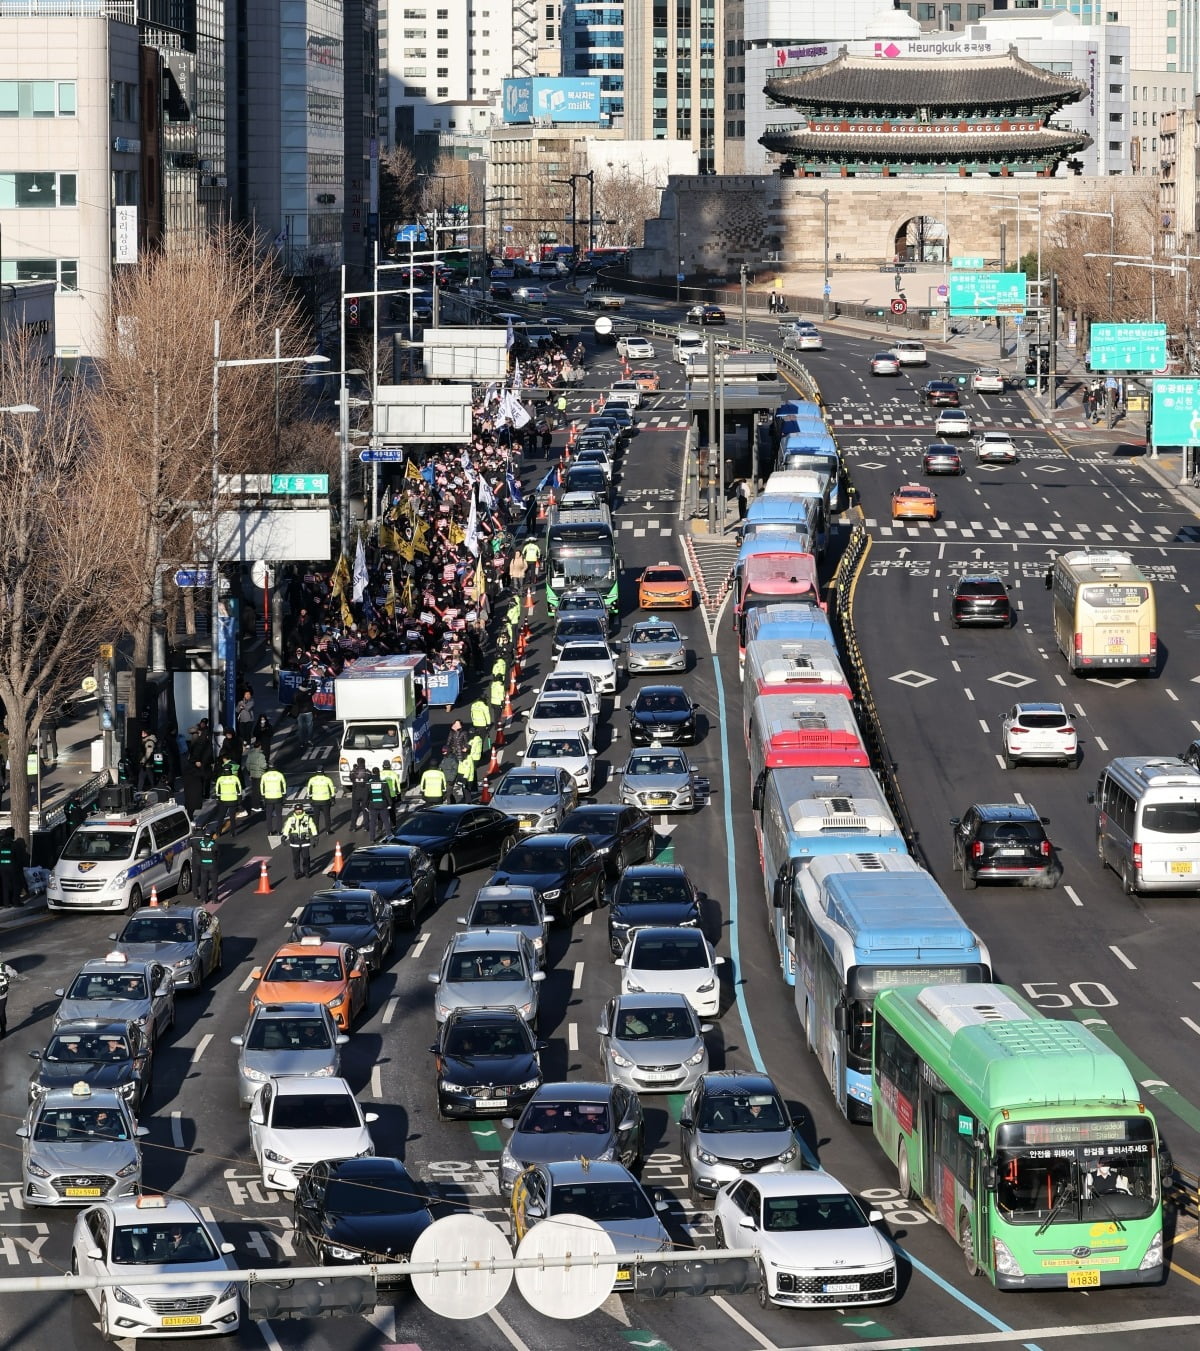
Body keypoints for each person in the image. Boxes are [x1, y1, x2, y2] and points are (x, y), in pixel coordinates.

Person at [282, 803, 319, 879]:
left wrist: (315, 837)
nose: (298, 811)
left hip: (305, 842)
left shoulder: (308, 818)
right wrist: (284, 837)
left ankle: (306, 871)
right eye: (297, 810)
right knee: (296, 859)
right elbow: (286, 828)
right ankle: (297, 872)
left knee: (306, 858)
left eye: (300, 810)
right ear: (295, 811)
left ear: (302, 810)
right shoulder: (291, 819)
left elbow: (313, 827)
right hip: (294, 843)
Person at [305, 766, 338, 835]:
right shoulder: (327, 779)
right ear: (323, 771)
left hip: (316, 801)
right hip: (325, 801)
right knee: (327, 816)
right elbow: (332, 790)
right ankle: (328, 830)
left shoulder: (312, 779)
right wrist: (333, 799)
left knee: (316, 817)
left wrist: (310, 799)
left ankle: (316, 831)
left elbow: (308, 791)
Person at [213, 762, 243, 837]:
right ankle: (232, 832)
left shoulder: (220, 779)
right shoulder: (235, 778)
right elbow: (239, 790)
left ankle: (218, 831)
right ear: (230, 770)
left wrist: (218, 799)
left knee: (221, 816)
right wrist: (239, 800)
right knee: (232, 817)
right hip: (233, 800)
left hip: (223, 801)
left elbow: (217, 791)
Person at [192, 827, 219, 905]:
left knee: (203, 882)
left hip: (203, 865)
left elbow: (198, 852)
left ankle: (204, 899)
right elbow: (218, 854)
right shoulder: (214, 845)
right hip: (213, 865)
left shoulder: (200, 844)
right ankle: (214, 899)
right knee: (214, 883)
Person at [259, 763, 288, 835]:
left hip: (268, 797)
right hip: (278, 796)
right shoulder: (279, 774)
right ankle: (279, 831)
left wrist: (263, 795)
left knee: (268, 815)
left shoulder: (264, 775)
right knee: (279, 815)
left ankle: (269, 831)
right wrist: (284, 794)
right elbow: (284, 784)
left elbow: (261, 785)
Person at [366, 768, 391, 843]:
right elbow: (387, 795)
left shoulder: (368, 784)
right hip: (383, 805)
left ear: (372, 773)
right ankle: (389, 836)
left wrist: (366, 806)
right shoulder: (384, 783)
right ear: (379, 773)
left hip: (372, 805)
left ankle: (372, 838)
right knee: (386, 821)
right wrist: (390, 804)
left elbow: (366, 796)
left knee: (372, 822)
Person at [0, 828, 20, 909]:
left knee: (5, 885)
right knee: (15, 885)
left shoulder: (1, 844)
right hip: (12, 866)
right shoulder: (14, 844)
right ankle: (15, 902)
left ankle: (6, 903)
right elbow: (18, 857)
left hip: (2, 866)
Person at [349, 757, 371, 832]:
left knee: (355, 810)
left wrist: (354, 769)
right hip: (365, 793)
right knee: (365, 810)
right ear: (364, 763)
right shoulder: (367, 772)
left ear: (357, 763)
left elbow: (351, 778)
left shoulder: (353, 772)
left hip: (356, 792)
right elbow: (370, 779)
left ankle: (353, 827)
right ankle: (366, 827)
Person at [292, 681, 315, 749]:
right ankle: (309, 740)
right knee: (309, 727)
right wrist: (313, 681)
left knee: (301, 728)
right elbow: (314, 688)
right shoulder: (309, 692)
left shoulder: (297, 693)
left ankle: (302, 742)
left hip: (300, 713)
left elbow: (293, 701)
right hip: (308, 712)